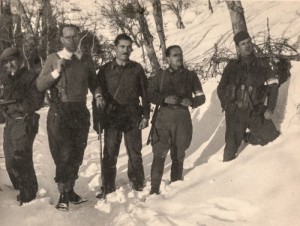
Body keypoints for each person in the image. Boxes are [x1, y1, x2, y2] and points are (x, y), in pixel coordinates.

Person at [36, 24, 101, 210]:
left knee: (77, 153)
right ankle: (63, 193)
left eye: (75, 36)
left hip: (80, 111)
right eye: (68, 37)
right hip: (60, 111)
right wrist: (56, 71)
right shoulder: (53, 58)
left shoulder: (86, 59)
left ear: (79, 37)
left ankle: (70, 189)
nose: (72, 40)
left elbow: (94, 82)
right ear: (62, 39)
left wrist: (97, 95)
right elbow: (40, 85)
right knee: (63, 154)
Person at [93, 34, 150, 198]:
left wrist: (145, 115)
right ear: (115, 48)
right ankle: (107, 186)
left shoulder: (137, 69)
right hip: (112, 117)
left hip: (132, 115)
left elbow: (145, 95)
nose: (125, 50)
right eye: (122, 47)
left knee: (135, 152)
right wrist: (97, 120)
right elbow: (98, 96)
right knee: (110, 153)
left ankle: (138, 183)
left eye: (128, 47)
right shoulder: (104, 70)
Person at [147, 45, 206, 195]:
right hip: (163, 118)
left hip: (182, 118)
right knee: (159, 152)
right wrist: (164, 99)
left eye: (180, 54)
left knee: (179, 153)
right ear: (167, 58)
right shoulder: (160, 76)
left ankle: (175, 189)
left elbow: (201, 97)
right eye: (174, 55)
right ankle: (154, 189)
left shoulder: (190, 76)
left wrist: (191, 102)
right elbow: (149, 94)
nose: (178, 57)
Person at [217, 31, 280, 162]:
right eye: (243, 44)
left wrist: (270, 108)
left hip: (255, 110)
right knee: (230, 152)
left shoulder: (263, 64)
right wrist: (227, 106)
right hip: (236, 112)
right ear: (238, 48)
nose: (247, 46)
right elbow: (221, 88)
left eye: (249, 42)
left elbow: (273, 87)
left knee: (272, 136)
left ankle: (248, 137)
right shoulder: (232, 66)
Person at [0, 47, 44, 204]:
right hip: (10, 122)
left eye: (12, 60)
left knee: (21, 158)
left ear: (20, 60)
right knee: (10, 159)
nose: (9, 64)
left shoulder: (31, 77)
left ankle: (28, 195)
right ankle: (20, 187)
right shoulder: (6, 79)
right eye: (6, 62)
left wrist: (16, 106)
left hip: (25, 121)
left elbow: (37, 101)